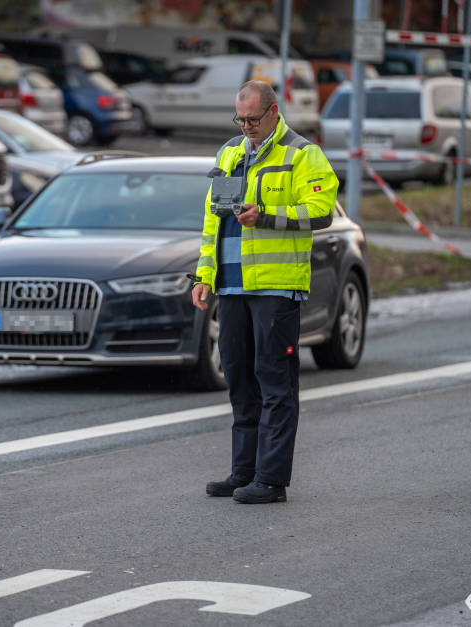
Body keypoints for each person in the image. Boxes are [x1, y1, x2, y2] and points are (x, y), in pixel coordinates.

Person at [193, 80, 338, 504]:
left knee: (274, 380)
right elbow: (211, 224)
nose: (246, 126)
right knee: (238, 378)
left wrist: (269, 216)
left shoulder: (302, 154)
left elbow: (322, 211)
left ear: (274, 112)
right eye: (240, 119)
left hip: (277, 287)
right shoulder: (229, 153)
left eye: (253, 119)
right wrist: (204, 276)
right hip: (232, 287)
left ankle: (271, 480)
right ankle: (244, 471)